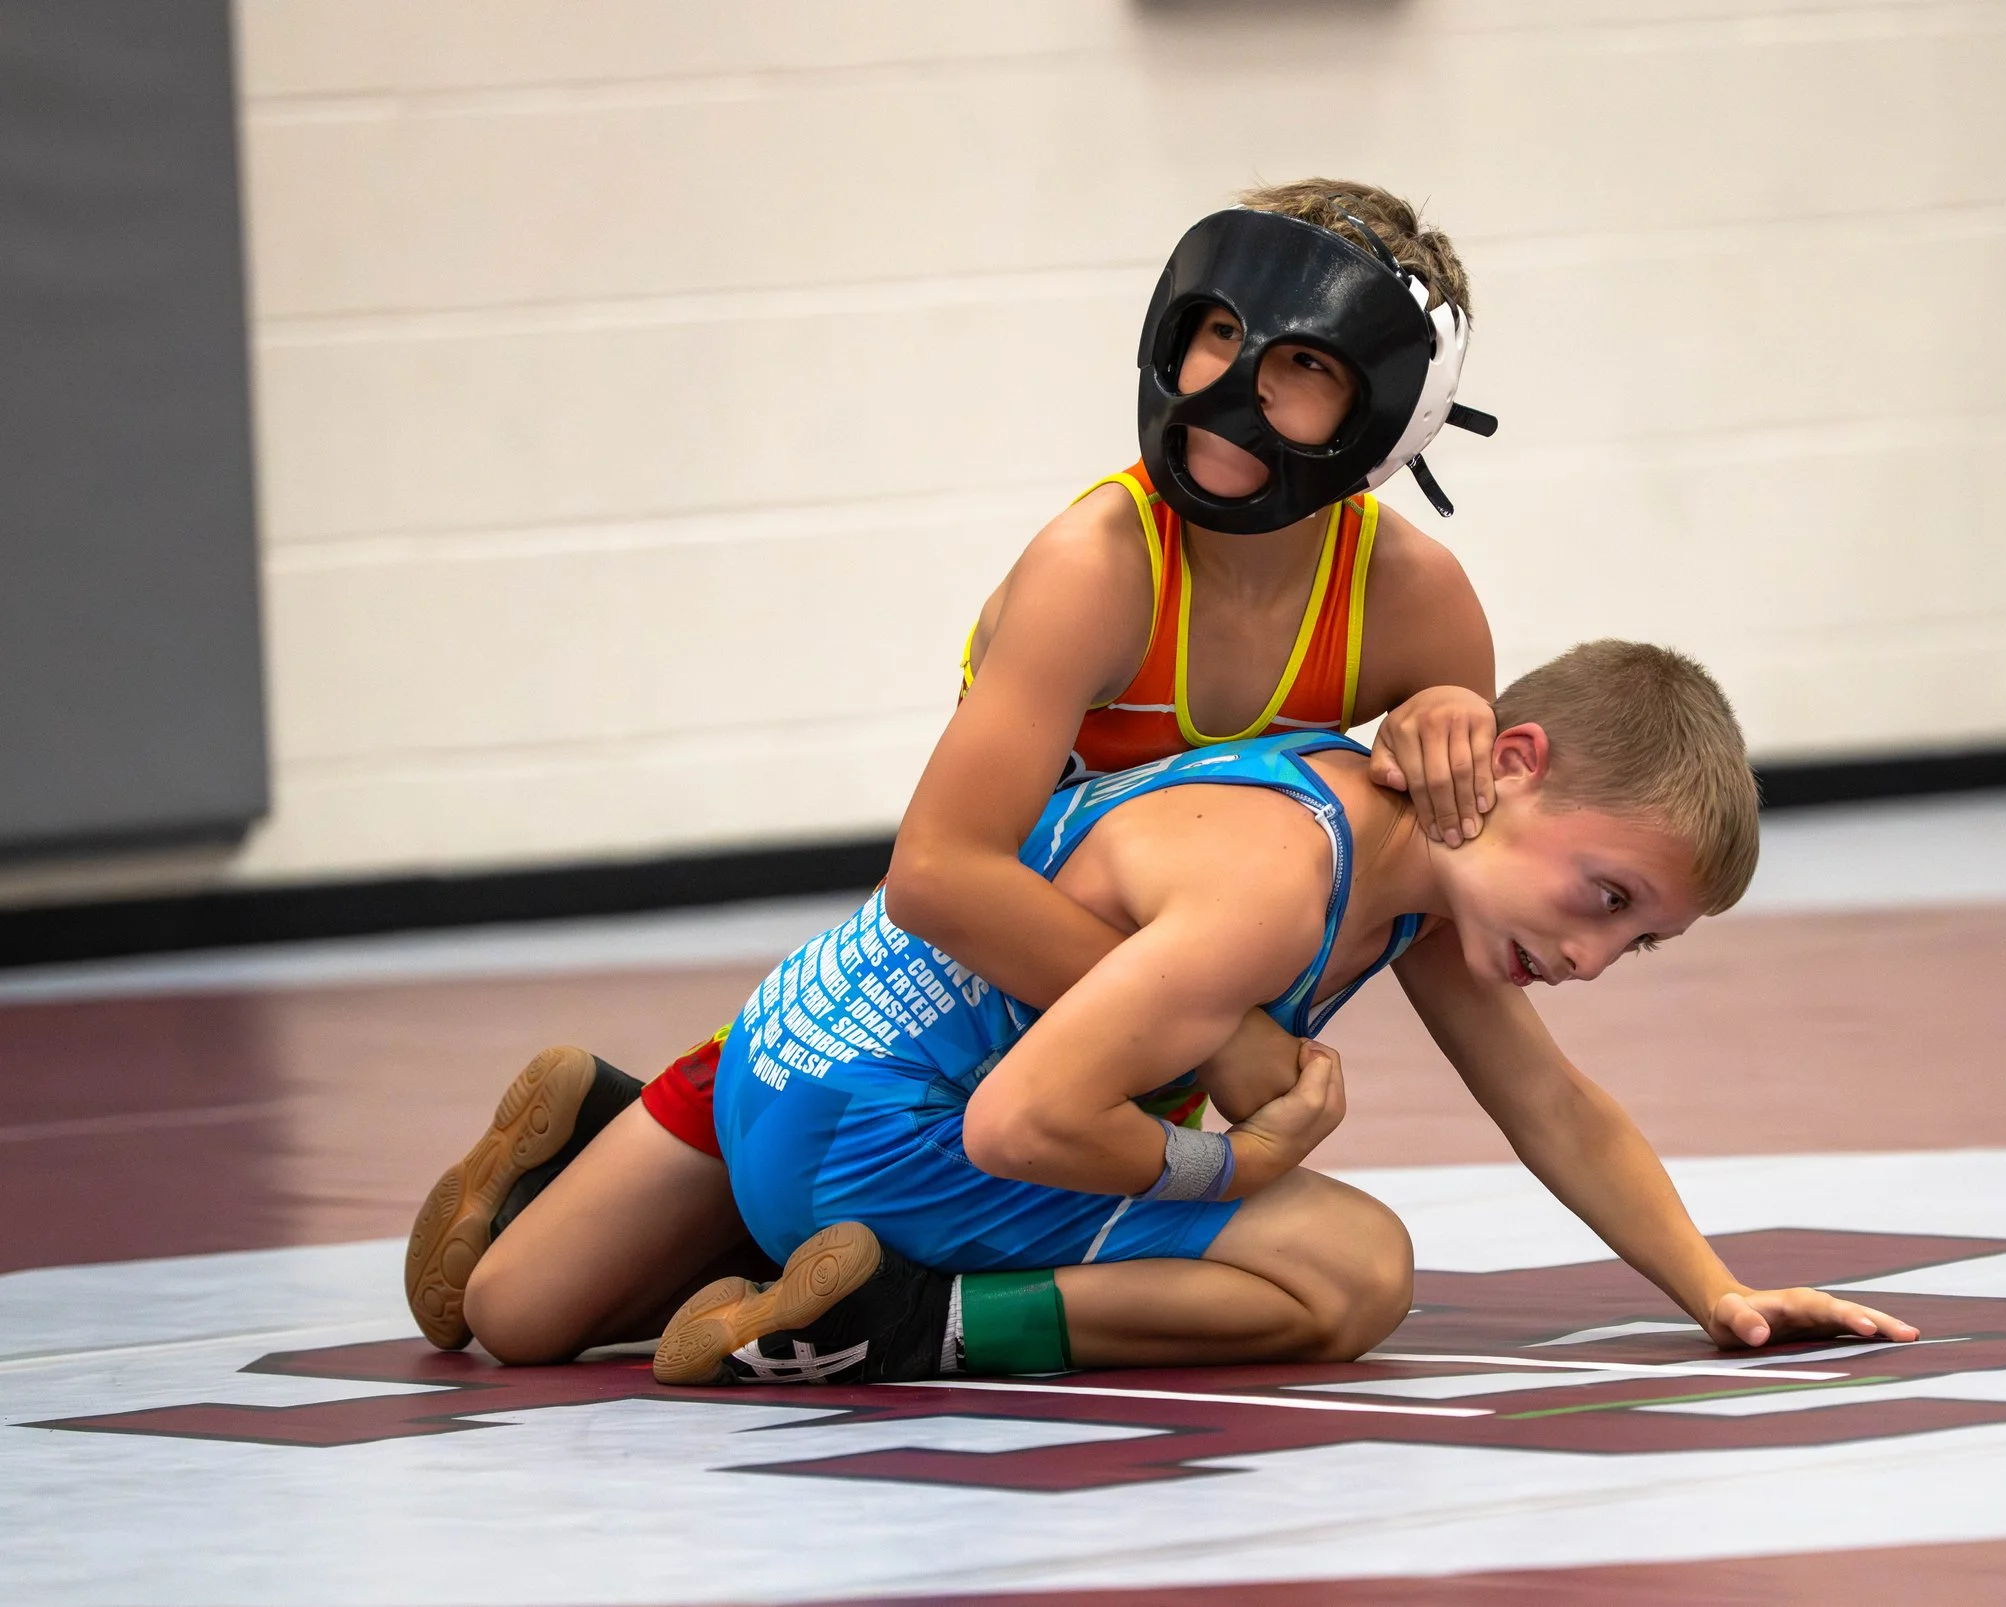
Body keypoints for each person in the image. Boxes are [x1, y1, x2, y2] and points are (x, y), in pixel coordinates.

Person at [406, 179, 1514, 1363]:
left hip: (1090, 1056)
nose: (1240, 385)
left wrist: (1445, 721)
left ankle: (732, 1210)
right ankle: (639, 1142)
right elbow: (936, 875)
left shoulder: (1415, 606)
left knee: (549, 1307)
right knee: (516, 1314)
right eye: (1224, 333)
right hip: (917, 1016)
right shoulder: (1100, 561)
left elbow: (1458, 931)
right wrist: (1219, 1033)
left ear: (1388, 419)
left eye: (1305, 364)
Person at [654, 641, 1918, 1386]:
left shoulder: (1393, 840)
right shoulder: (1283, 879)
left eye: (1635, 941)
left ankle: (659, 1191)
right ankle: (893, 1322)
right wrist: (1232, 1163)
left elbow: (1552, 1102)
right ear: (1512, 762)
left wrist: (1717, 1291)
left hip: (776, 1076)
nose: (1590, 957)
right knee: (1349, 1267)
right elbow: (1018, 1122)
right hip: (884, 1142)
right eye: (1604, 897)